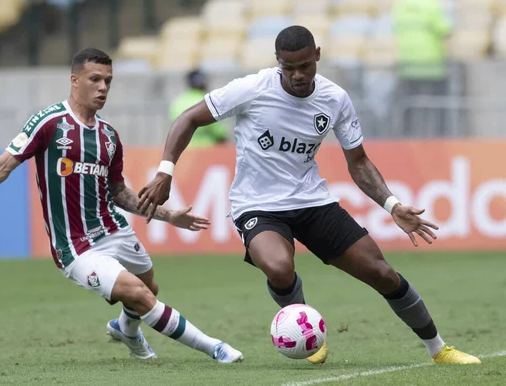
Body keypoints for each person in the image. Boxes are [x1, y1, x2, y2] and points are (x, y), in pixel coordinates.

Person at [137, 26, 480, 365]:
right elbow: (188, 118)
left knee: (382, 273)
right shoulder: (252, 89)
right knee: (279, 267)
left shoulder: (335, 99)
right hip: (257, 204)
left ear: (317, 55)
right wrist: (165, 172)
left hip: (312, 201)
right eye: (289, 68)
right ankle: (305, 332)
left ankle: (439, 349)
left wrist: (391, 204)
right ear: (277, 62)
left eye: (305, 66)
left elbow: (358, 163)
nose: (298, 75)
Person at [0, 48, 243, 364]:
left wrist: (167, 215)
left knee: (150, 285)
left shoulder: (109, 136)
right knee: (139, 294)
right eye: (95, 79)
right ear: (74, 80)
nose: (103, 87)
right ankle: (214, 347)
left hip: (113, 229)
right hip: (76, 247)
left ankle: (126, 329)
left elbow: (119, 193)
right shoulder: (49, 123)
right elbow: (2, 166)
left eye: (108, 81)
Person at [393, 0, 452, 136]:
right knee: (438, 105)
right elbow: (444, 29)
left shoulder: (402, 1)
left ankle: (407, 137)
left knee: (409, 105)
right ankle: (439, 136)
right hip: (431, 64)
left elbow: (396, 28)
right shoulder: (431, 1)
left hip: (407, 63)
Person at [169, 69, 228, 147]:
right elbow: (219, 132)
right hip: (207, 150)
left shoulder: (177, 102)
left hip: (184, 151)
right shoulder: (208, 101)